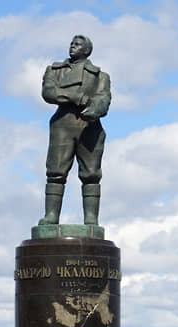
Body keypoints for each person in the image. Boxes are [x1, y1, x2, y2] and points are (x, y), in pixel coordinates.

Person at [40, 34, 112, 226]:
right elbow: (49, 92)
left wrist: (94, 110)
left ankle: (91, 219)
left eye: (78, 44)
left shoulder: (100, 76)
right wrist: (76, 97)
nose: (72, 46)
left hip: (89, 126)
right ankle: (51, 216)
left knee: (91, 175)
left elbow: (104, 99)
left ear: (87, 50)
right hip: (62, 126)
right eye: (72, 43)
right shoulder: (55, 71)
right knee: (55, 172)